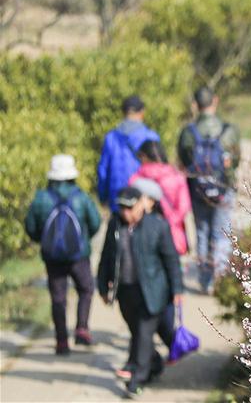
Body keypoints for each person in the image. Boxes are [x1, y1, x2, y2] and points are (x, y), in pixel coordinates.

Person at [97, 185, 184, 397]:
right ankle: (154, 364)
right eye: (122, 208)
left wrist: (177, 288)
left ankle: (137, 378)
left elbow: (171, 259)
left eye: (130, 208)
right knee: (137, 332)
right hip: (126, 291)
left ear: (140, 205)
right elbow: (106, 256)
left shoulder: (158, 226)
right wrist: (102, 284)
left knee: (144, 333)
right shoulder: (115, 225)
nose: (126, 213)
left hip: (152, 291)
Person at [24, 154, 101, 355]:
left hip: (52, 258)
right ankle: (82, 328)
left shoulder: (41, 198)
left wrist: (46, 242)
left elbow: (31, 227)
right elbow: (95, 223)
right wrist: (82, 240)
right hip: (79, 255)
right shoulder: (81, 197)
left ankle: (61, 341)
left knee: (58, 298)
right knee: (86, 289)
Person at [177, 87, 240, 295]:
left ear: (195, 104)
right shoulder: (229, 130)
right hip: (223, 188)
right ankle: (220, 278)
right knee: (222, 233)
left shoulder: (188, 133)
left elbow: (184, 160)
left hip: (197, 189)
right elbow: (236, 160)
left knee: (202, 232)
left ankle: (204, 281)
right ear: (216, 100)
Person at [97, 95, 160, 212]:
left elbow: (103, 171)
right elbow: (159, 169)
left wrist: (103, 197)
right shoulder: (151, 137)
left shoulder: (111, 138)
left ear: (123, 113)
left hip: (117, 198)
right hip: (145, 199)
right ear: (142, 112)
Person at [129, 139, 191, 257]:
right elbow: (183, 208)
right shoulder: (176, 176)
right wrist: (169, 223)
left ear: (144, 156)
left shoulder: (136, 179)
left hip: (143, 234)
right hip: (172, 235)